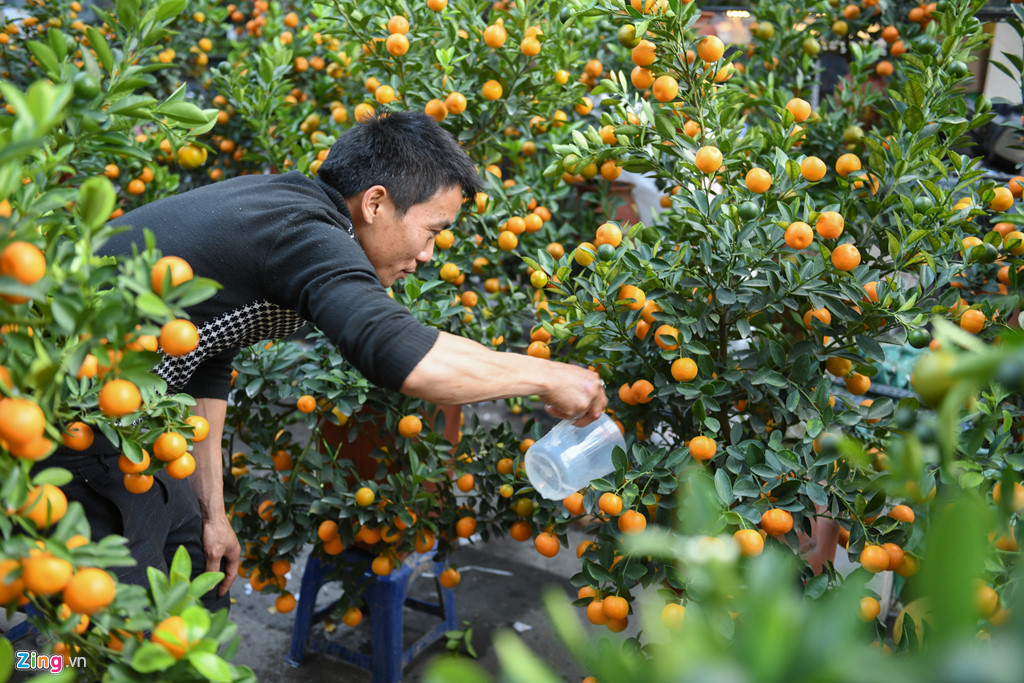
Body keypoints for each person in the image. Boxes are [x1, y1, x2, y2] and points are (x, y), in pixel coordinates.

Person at [49, 111, 607, 611]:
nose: (429, 255)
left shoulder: (289, 208)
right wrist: (546, 376)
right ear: (375, 203)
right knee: (106, 637)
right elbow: (395, 353)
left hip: (128, 425)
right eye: (432, 231)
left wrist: (213, 512)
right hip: (70, 421)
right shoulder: (305, 233)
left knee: (196, 578)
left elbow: (210, 357)